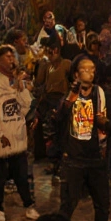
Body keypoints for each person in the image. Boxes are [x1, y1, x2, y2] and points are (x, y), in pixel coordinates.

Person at [56, 55, 111, 221]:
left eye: (92, 69)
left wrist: (102, 122)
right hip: (73, 158)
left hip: (96, 158)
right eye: (85, 69)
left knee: (103, 204)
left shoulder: (102, 95)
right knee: (68, 205)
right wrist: (69, 100)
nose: (90, 73)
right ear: (76, 73)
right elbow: (57, 120)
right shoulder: (69, 96)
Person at [0, 44, 40, 221]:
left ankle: (29, 205)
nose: (11, 59)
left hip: (17, 135)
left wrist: (20, 85)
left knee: (22, 174)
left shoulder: (18, 80)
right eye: (7, 56)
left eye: (12, 56)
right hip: (1, 137)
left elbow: (25, 106)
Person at [33, 38, 71, 172]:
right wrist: (42, 65)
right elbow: (39, 81)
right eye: (50, 51)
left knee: (63, 131)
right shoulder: (47, 65)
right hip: (49, 100)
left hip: (62, 99)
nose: (52, 53)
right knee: (49, 132)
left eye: (54, 50)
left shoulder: (66, 64)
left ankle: (62, 161)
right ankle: (52, 160)